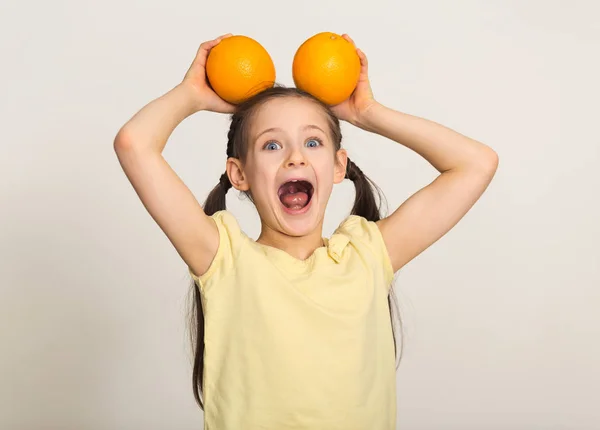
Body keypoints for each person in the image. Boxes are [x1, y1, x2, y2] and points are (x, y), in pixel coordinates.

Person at [114, 33, 498, 430]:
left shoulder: (366, 256)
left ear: (337, 166)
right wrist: (191, 94)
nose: (295, 156)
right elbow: (134, 143)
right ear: (239, 173)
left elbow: (476, 164)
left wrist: (367, 112)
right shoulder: (224, 260)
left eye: (312, 142)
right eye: (271, 146)